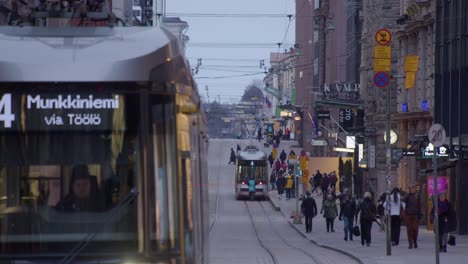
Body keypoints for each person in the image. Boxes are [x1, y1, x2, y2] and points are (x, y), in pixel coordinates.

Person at [402, 184, 421, 249]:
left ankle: (415, 241)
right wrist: (407, 194)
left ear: (415, 189)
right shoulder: (407, 196)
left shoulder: (417, 196)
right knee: (409, 230)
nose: (411, 190)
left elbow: (420, 205)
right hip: (408, 215)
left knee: (415, 229)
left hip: (415, 215)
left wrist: (420, 214)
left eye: (412, 189)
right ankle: (410, 243)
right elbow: (403, 200)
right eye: (410, 189)